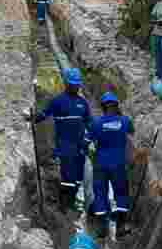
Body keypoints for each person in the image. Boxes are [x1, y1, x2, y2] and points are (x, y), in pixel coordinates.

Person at [28, 67, 91, 208]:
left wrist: (88, 139)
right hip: (65, 145)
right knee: (68, 177)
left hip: (80, 146)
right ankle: (64, 205)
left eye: (77, 85)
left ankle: (73, 202)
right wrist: (32, 118)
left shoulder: (83, 103)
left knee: (78, 177)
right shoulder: (57, 101)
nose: (75, 87)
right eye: (72, 84)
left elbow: (90, 123)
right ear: (66, 84)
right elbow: (44, 114)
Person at [87, 91, 134, 235]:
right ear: (116, 106)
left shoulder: (96, 123)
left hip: (100, 163)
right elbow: (131, 131)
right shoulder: (125, 121)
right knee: (121, 193)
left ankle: (102, 228)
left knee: (100, 193)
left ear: (102, 107)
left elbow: (87, 140)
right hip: (118, 164)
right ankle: (120, 227)